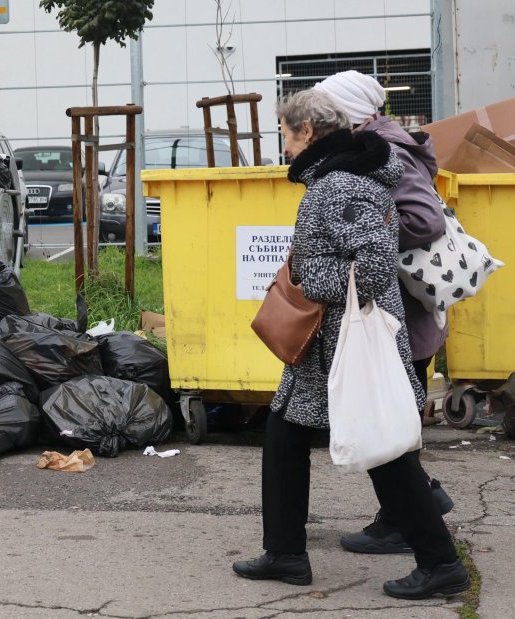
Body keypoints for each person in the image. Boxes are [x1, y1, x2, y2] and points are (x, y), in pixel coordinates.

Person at [231, 89, 470, 600]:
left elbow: (377, 262)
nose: (286, 147)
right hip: (327, 346)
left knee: (385, 451)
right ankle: (285, 553)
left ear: (309, 132)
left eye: (287, 136)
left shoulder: (339, 185)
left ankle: (442, 562)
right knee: (285, 436)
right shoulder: (335, 180)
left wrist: (308, 273)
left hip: (346, 344)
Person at [313, 70, 454, 555]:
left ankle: (412, 518)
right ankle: (407, 510)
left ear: (347, 113)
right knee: (392, 419)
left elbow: (424, 218)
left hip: (402, 315)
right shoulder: (374, 144)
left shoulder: (384, 150)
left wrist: (368, 236)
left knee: (388, 420)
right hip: (402, 313)